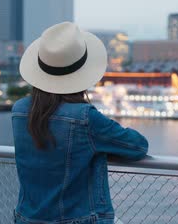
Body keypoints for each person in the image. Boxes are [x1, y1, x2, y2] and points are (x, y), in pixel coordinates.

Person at [11, 22, 149, 223]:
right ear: (82, 73)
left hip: (26, 218)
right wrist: (98, 146)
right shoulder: (85, 117)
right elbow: (138, 146)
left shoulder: (19, 111)